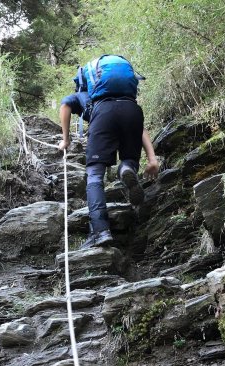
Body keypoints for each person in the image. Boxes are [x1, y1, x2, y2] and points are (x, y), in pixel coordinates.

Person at [59, 60, 159, 249]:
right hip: (133, 113)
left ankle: (100, 231)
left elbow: (65, 105)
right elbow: (141, 130)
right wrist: (152, 158)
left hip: (104, 115)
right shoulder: (126, 95)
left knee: (95, 175)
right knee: (129, 159)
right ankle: (127, 169)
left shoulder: (83, 94)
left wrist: (66, 140)